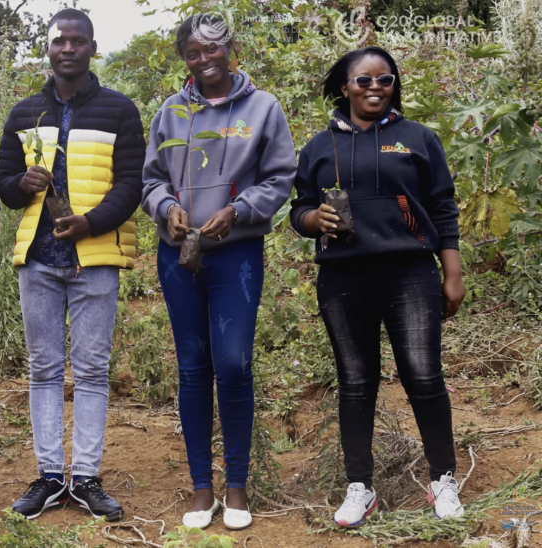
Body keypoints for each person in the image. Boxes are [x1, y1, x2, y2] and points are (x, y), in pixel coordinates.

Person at [290, 46, 465, 527]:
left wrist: (453, 273)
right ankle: (359, 487)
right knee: (356, 382)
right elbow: (297, 210)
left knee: (424, 378)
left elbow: (444, 208)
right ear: (345, 86)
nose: (373, 89)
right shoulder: (317, 146)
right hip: (343, 277)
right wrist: (311, 217)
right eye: (362, 81)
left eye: (383, 80)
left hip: (410, 273)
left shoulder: (418, 139)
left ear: (393, 86)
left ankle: (442, 480)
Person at [141, 14, 297, 531]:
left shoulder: (262, 108)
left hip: (236, 253)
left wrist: (242, 209)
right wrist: (167, 209)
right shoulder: (170, 111)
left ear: (231, 48)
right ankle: (201, 488)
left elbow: (279, 177)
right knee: (192, 366)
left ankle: (236, 486)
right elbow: (151, 180)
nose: (204, 59)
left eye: (213, 48)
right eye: (193, 52)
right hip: (179, 254)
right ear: (184, 58)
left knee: (232, 363)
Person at [0, 8, 146, 522]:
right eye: (59, 40)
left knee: (92, 370)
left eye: (77, 41)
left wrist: (90, 222)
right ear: (48, 47)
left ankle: (85, 478)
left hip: (96, 257)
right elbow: (4, 185)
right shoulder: (22, 114)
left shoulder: (119, 110)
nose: (67, 48)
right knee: (42, 369)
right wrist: (22, 185)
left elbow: (131, 185)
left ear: (92, 48)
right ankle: (47, 476)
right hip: (37, 259)